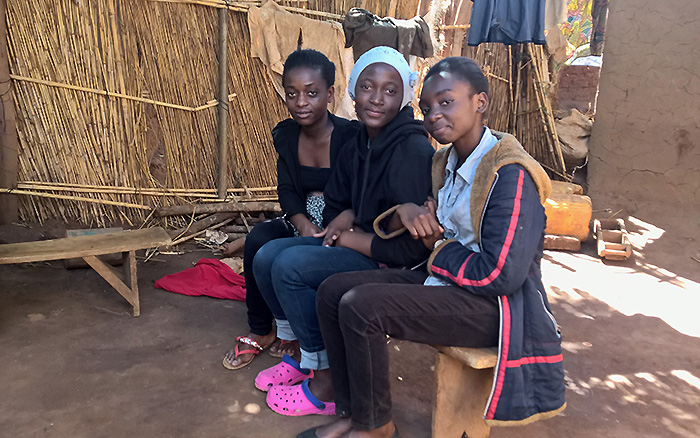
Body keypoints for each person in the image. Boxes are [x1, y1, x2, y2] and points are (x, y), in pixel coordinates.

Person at [303, 57, 566, 438]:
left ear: (480, 101)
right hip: (446, 285)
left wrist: (438, 244)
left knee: (363, 307)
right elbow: (430, 220)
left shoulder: (509, 174)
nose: (433, 115)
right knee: (333, 292)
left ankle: (374, 427)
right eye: (426, 108)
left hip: (497, 309)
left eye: (446, 102)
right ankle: (353, 412)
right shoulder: (445, 161)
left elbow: (501, 274)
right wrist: (411, 212)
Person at [251, 46, 436, 417]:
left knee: (290, 266)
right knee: (266, 254)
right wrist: (347, 214)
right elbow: (337, 200)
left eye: (390, 90)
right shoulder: (360, 142)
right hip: (361, 244)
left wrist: (348, 236)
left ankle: (326, 376)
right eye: (368, 87)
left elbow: (411, 252)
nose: (377, 99)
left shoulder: (411, 150)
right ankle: (305, 357)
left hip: (391, 266)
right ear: (353, 91)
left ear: (404, 96)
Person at [221, 49, 359, 370]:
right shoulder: (286, 136)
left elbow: (360, 194)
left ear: (330, 94)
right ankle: (266, 329)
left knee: (283, 258)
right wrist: (301, 222)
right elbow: (285, 188)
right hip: (300, 218)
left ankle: (302, 334)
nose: (301, 102)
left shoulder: (350, 137)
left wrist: (329, 224)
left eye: (312, 93)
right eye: (292, 93)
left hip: (339, 223)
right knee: (258, 239)